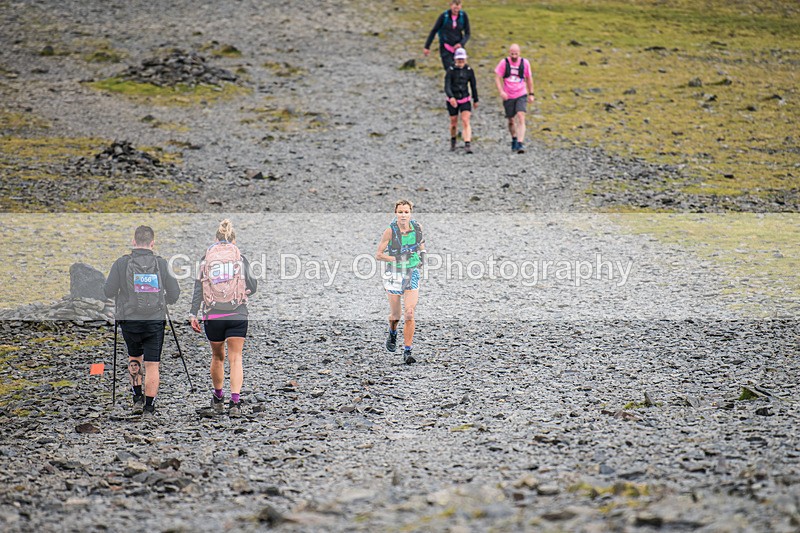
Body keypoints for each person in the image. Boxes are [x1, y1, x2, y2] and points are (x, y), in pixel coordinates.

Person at [104, 225, 180, 417]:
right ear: (152, 243)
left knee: (134, 358)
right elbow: (175, 293)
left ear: (134, 242)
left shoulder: (121, 263)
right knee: (152, 365)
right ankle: (149, 407)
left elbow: (108, 291)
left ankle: (137, 399)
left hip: (130, 321)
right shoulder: (161, 264)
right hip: (154, 321)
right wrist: (163, 301)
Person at [189, 219, 257, 418]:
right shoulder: (240, 258)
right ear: (233, 240)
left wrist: (193, 313)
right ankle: (235, 403)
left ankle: (218, 398)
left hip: (213, 314)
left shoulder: (206, 258)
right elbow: (253, 286)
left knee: (217, 357)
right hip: (237, 313)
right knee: (236, 358)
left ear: (215, 239)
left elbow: (198, 288)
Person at [375, 200, 426, 364]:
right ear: (395, 213)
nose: (403, 215)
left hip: (412, 272)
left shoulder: (417, 227)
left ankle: (407, 351)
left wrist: (423, 255)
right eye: (400, 212)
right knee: (396, 316)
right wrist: (398, 259)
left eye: (406, 212)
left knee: (409, 312)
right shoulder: (390, 231)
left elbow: (421, 243)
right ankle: (392, 332)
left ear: (411, 213)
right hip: (394, 274)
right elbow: (379, 255)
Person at [494, 43, 535, 153]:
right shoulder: (504, 63)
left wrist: (531, 93)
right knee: (511, 120)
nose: (514, 56)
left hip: (521, 93)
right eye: (512, 54)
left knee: (521, 116)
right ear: (509, 53)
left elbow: (529, 78)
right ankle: (514, 139)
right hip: (508, 95)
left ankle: (520, 144)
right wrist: (501, 91)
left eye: (516, 54)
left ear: (519, 53)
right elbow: (497, 77)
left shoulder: (525, 63)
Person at [444, 47, 478, 153]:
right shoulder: (450, 71)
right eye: (459, 59)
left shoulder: (469, 71)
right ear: (455, 59)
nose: (460, 62)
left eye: (462, 59)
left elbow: (473, 85)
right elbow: (447, 86)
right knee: (453, 122)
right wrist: (451, 97)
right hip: (453, 99)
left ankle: (467, 143)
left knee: (465, 120)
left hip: (465, 98)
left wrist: (475, 99)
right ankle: (453, 140)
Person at [424, 0, 471, 71]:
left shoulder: (463, 16)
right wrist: (427, 47)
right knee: (449, 70)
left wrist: (461, 43)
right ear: (451, 6)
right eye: (454, 8)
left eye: (458, 8)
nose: (456, 10)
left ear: (461, 7)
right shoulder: (444, 16)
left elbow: (467, 33)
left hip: (458, 49)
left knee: (460, 70)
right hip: (446, 48)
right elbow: (434, 31)